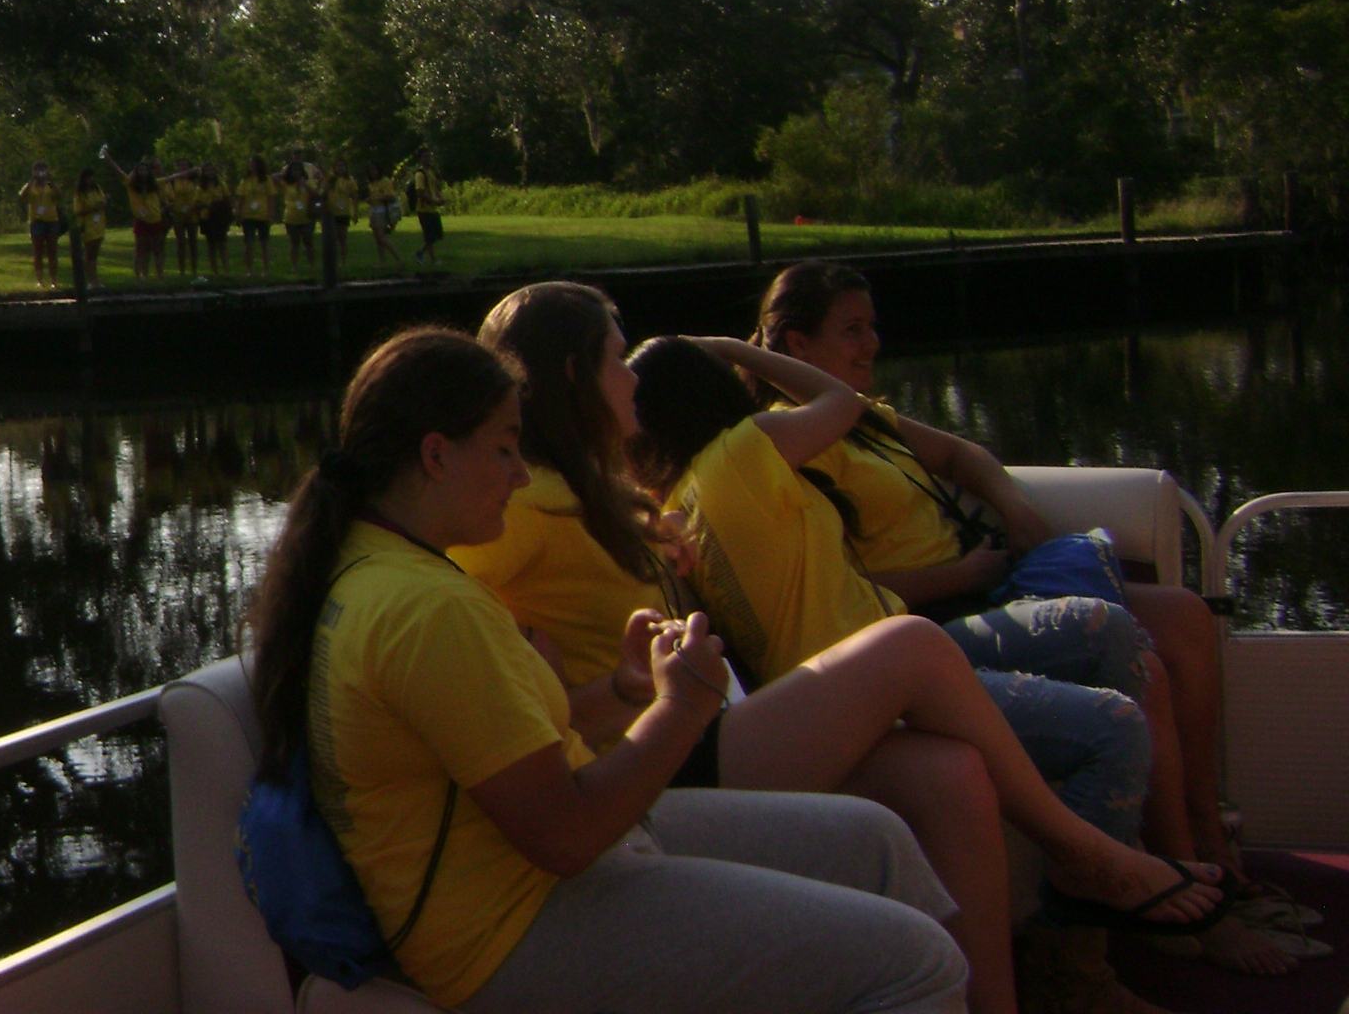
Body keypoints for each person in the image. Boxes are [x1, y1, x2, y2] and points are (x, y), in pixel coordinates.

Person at [459, 283, 1225, 1014]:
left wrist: (667, 564)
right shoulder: (525, 503)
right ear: (575, 375)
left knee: (952, 775)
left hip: (715, 717)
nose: (633, 379)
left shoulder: (603, 492)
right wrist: (533, 663)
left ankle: (999, 1003)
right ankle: (1085, 852)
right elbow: (448, 581)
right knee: (910, 646)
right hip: (654, 755)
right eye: (616, 359)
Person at [249, 326, 970, 1014]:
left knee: (877, 843)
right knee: (919, 962)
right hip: (509, 932)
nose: (520, 473)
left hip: (542, 875)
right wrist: (681, 709)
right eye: (503, 449)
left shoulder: (377, 563)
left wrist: (628, 690)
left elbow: (512, 752)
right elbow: (564, 835)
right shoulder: (422, 609)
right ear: (436, 456)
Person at [753, 261, 1307, 973]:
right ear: (797, 345)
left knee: (1186, 617)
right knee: (1141, 664)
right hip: (927, 619)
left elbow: (961, 453)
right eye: (852, 330)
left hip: (990, 589)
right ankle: (1176, 881)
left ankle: (1209, 838)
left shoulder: (863, 421)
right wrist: (963, 574)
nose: (872, 345)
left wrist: (1015, 508)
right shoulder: (785, 449)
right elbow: (833, 590)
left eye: (873, 326)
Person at [103, 149, 168, 278]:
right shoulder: (131, 184)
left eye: (145, 170)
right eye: (140, 170)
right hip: (142, 221)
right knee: (140, 251)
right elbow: (119, 171)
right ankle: (140, 277)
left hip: (155, 220)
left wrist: (190, 171)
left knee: (157, 250)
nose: (143, 173)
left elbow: (173, 177)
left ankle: (160, 277)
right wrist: (108, 158)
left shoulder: (154, 184)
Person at [18, 162, 62, 289]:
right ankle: (40, 281)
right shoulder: (30, 187)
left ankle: (53, 281)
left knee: (52, 251)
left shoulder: (50, 187)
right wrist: (32, 179)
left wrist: (51, 179)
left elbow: (59, 196)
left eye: (43, 170)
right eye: (38, 170)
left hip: (51, 220)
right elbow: (22, 195)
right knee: (38, 252)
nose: (41, 173)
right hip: (36, 221)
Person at [236, 154, 275, 278]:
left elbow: (271, 197)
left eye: (253, 163)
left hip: (263, 215)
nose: (251, 165)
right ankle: (249, 270)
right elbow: (241, 198)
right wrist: (238, 213)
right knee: (249, 244)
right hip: (248, 215)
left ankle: (265, 269)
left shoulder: (266, 180)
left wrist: (271, 214)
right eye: (250, 163)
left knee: (264, 243)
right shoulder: (245, 180)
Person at [409, 147, 445, 267]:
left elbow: (434, 188)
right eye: (425, 157)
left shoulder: (430, 172)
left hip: (432, 209)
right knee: (429, 236)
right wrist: (433, 201)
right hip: (424, 209)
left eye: (429, 156)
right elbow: (420, 192)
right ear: (420, 159)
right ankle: (433, 259)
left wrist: (440, 198)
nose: (428, 159)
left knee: (436, 235)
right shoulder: (420, 174)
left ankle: (419, 253)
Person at [278, 158, 316, 270]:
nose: (297, 173)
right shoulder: (286, 184)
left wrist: (305, 185)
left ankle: (311, 265)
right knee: (295, 243)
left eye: (299, 170)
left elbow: (315, 194)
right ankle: (294, 265)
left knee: (308, 242)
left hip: (307, 217)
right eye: (294, 170)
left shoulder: (308, 183)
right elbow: (272, 178)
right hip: (291, 217)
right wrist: (283, 173)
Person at [196, 163, 233, 276]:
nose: (210, 173)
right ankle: (215, 271)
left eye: (212, 170)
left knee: (222, 244)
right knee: (211, 245)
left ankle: (227, 271)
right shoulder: (200, 187)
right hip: (207, 217)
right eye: (207, 171)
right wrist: (207, 205)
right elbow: (197, 203)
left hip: (220, 216)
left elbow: (227, 199)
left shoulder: (221, 185)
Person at [364, 161, 402, 269]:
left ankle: (399, 259)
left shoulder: (385, 181)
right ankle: (382, 262)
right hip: (373, 210)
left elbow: (391, 197)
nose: (373, 172)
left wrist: (376, 198)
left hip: (381, 211)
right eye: (371, 170)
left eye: (374, 170)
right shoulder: (372, 183)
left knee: (382, 237)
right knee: (378, 239)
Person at [72, 168, 108, 282]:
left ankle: (94, 279)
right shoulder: (80, 194)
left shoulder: (97, 190)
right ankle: (90, 279)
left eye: (92, 177)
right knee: (89, 254)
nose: (91, 179)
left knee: (94, 255)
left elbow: (102, 201)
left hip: (99, 225)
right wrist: (94, 208)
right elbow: (78, 211)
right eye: (88, 177)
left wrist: (104, 202)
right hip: (88, 226)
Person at [166, 160, 201, 276]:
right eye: (181, 165)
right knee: (180, 243)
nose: (183, 167)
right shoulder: (174, 180)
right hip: (178, 214)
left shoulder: (195, 181)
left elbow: (199, 196)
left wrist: (192, 209)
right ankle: (182, 270)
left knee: (193, 242)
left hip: (192, 214)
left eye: (186, 165)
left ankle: (194, 269)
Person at [325, 157, 359, 262]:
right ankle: (333, 260)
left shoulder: (350, 181)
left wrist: (355, 213)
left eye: (342, 166)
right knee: (332, 238)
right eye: (338, 166)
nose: (340, 168)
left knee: (342, 238)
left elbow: (355, 197)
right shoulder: (330, 179)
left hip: (343, 213)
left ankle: (343, 260)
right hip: (331, 212)